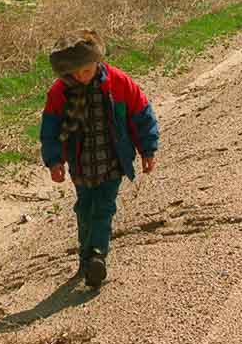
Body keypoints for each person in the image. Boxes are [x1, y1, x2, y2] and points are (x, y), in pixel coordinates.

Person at [39, 31, 160, 289]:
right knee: (84, 208)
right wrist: (54, 161)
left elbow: (141, 115)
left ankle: (97, 256)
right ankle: (86, 258)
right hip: (82, 164)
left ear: (97, 60)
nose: (82, 76)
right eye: (75, 73)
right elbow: (50, 130)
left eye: (87, 69)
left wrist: (147, 150)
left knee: (104, 207)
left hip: (113, 160)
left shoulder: (118, 82)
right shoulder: (60, 93)